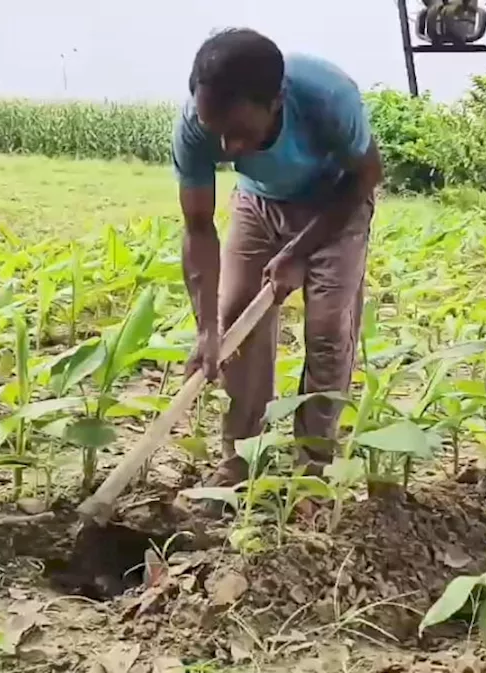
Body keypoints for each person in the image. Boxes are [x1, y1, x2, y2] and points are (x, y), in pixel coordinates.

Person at [172, 28, 383, 486]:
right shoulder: (195, 123)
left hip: (336, 204)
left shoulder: (328, 96)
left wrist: (300, 251)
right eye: (218, 134)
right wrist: (207, 328)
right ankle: (240, 460)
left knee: (328, 330)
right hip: (259, 203)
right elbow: (198, 226)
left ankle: (313, 471)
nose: (229, 149)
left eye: (242, 133)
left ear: (277, 101)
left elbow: (368, 174)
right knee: (235, 319)